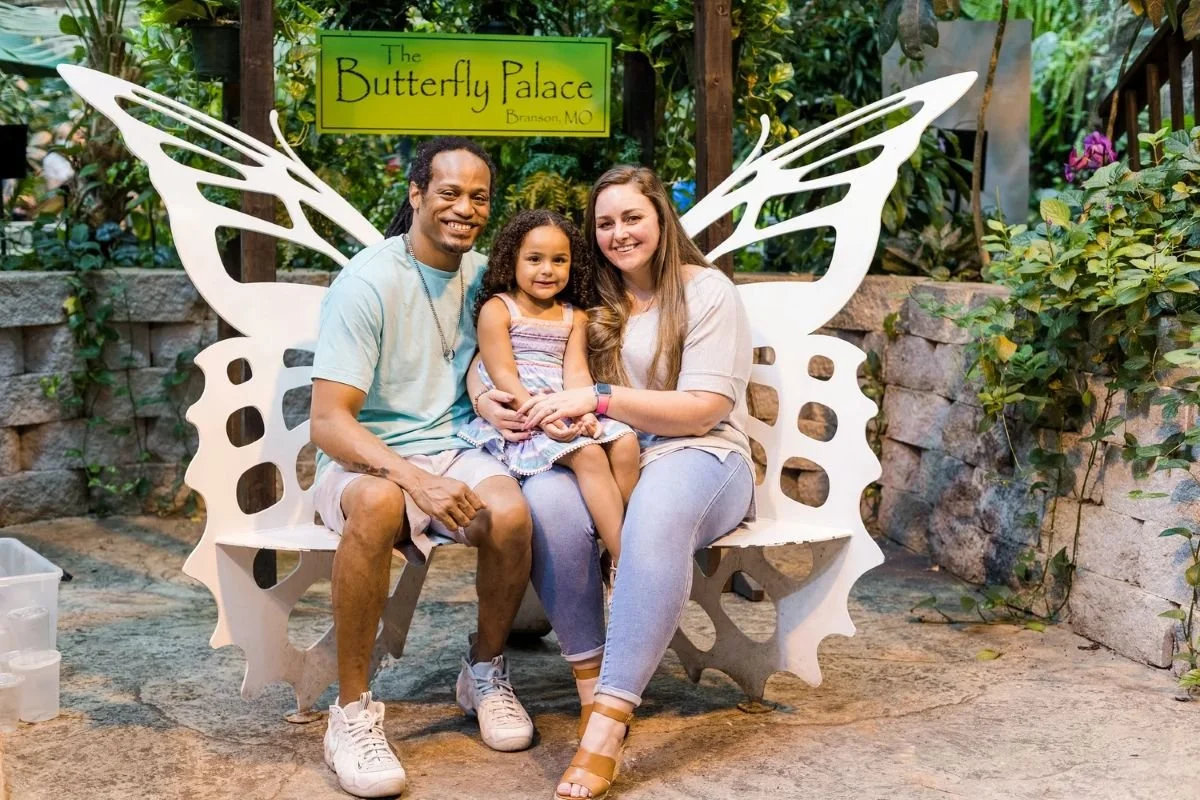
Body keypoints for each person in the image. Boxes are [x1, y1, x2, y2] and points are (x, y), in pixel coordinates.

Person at [515, 166, 756, 800]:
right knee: (544, 500)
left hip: (701, 456)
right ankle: (592, 683)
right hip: (611, 455)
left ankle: (606, 729)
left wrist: (598, 397)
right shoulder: (591, 305)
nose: (619, 233)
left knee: (653, 516)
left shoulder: (705, 292)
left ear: (660, 219)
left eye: (632, 218)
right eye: (605, 223)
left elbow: (704, 408)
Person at [309, 137, 540, 798]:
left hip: (451, 444)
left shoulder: (484, 278)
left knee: (512, 513)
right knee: (380, 506)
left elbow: (488, 357)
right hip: (363, 456)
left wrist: (488, 397)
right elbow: (329, 422)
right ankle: (350, 712)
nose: (465, 208)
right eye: (449, 193)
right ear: (415, 195)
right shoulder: (368, 280)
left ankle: (485, 671)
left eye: (479, 197)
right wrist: (412, 478)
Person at [458, 209, 640, 579]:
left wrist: (585, 411)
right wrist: (543, 416)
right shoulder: (498, 309)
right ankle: (628, 564)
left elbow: (576, 372)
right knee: (588, 455)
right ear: (513, 260)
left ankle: (615, 541)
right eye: (535, 259)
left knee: (626, 444)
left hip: (564, 404)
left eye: (559, 261)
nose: (547, 270)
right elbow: (501, 372)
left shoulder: (574, 316)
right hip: (523, 410)